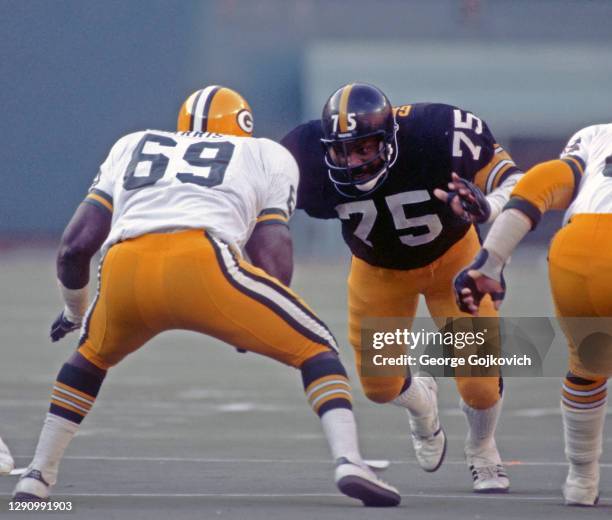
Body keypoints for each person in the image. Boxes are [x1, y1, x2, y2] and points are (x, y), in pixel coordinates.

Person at [12, 85, 400, 507]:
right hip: (213, 262)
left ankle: (38, 474)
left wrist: (74, 311)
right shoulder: (266, 154)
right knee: (321, 347)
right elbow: (273, 252)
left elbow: (74, 246)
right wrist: (250, 323)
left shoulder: (133, 144)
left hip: (125, 267)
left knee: (88, 360)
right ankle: (353, 457)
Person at [281, 82, 524, 492]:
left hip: (455, 261)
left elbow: (515, 181)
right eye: (341, 150)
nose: (353, 160)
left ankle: (483, 448)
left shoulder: (437, 131)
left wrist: (491, 206)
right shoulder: (301, 154)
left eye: (364, 147)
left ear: (390, 137)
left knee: (480, 386)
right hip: (379, 270)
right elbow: (255, 203)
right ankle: (422, 405)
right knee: (380, 387)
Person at [454, 123, 612, 506]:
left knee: (588, 367)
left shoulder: (596, 136)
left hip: (578, 250)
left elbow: (540, 184)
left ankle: (581, 480)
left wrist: (487, 263)